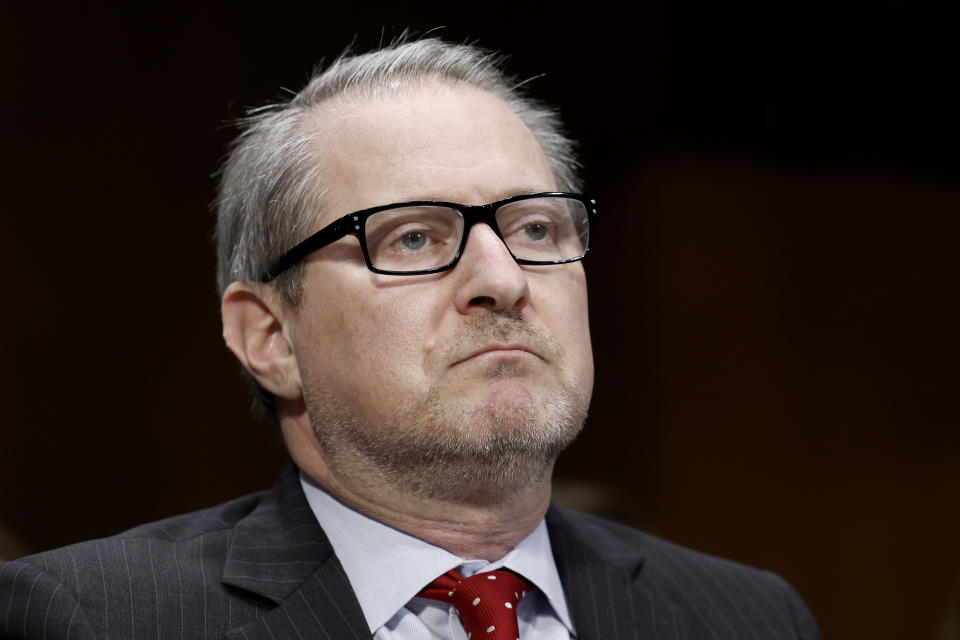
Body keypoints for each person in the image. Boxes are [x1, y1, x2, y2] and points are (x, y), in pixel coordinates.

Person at [0, 38, 821, 639]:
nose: (503, 279)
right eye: (414, 240)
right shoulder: (88, 619)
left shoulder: (747, 617)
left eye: (536, 227)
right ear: (271, 336)